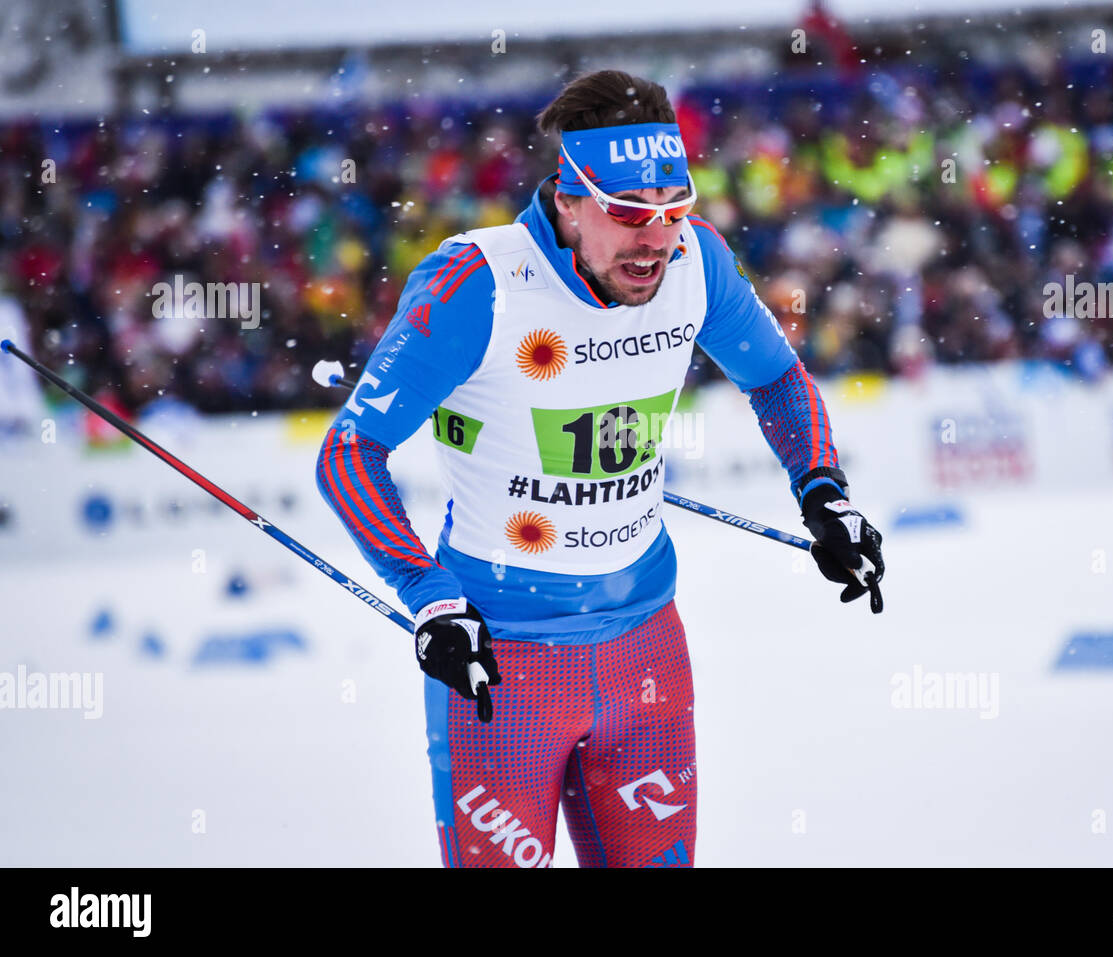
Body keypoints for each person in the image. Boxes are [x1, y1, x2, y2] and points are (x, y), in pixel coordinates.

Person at [315, 69, 884, 868]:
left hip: (645, 651)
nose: (654, 239)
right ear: (567, 196)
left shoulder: (697, 261)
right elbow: (350, 452)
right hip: (501, 665)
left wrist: (822, 491)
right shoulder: (478, 283)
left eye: (671, 210)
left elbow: (777, 377)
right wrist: (428, 595)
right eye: (626, 214)